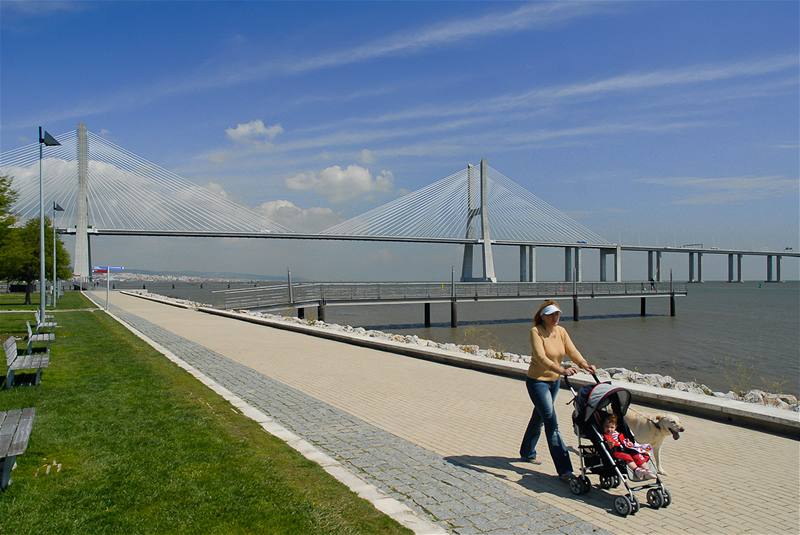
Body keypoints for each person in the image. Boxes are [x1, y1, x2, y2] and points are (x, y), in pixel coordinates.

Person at [519, 300, 596, 481]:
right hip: (537, 382)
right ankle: (565, 470)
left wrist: (584, 364)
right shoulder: (536, 332)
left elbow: (572, 350)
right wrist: (562, 370)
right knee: (551, 423)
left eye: (558, 314)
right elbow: (540, 357)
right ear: (543, 316)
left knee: (539, 417)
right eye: (552, 315)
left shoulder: (561, 331)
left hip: (554, 382)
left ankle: (527, 451)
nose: (556, 318)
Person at [602, 413, 655, 481]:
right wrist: (609, 444)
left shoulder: (619, 433)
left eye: (612, 427)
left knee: (637, 454)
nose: (609, 429)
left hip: (627, 448)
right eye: (607, 426)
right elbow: (606, 444)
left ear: (616, 427)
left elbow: (626, 440)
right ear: (603, 426)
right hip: (617, 451)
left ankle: (647, 471)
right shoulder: (604, 436)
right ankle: (637, 470)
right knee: (627, 457)